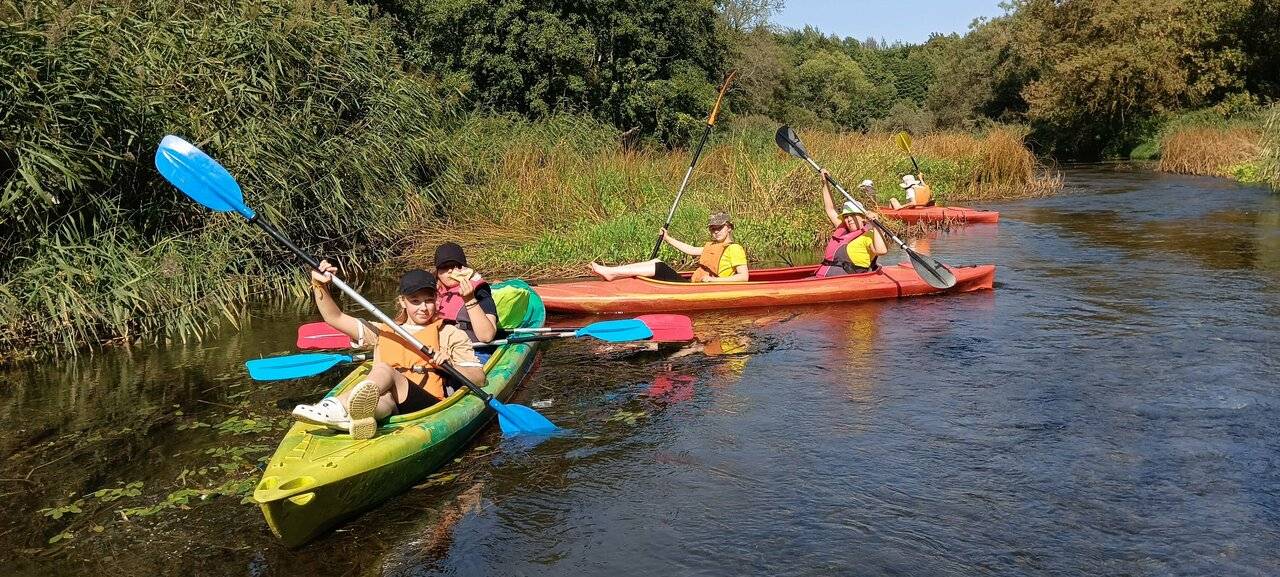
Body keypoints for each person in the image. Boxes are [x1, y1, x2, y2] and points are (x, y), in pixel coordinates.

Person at [291, 261, 487, 440]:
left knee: (385, 369)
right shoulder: (383, 331)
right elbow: (334, 318)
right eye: (415, 301)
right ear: (402, 301)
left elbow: (478, 378)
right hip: (394, 404)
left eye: (428, 300)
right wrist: (319, 285)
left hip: (428, 405)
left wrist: (448, 365)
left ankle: (335, 406)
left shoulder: (449, 333)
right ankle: (354, 419)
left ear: (437, 299)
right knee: (381, 400)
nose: (423, 308)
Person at [589, 211, 748, 283]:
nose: (716, 231)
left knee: (659, 267)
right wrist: (667, 238)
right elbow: (691, 250)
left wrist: (714, 281)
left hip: (704, 288)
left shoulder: (735, 249)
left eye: (719, 228)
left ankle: (611, 273)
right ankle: (613, 272)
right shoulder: (712, 245)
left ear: (729, 228)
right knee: (656, 261)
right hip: (694, 285)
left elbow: (743, 277)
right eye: (712, 229)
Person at [815, 169, 887, 277]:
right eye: (846, 216)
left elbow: (881, 251)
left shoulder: (869, 235)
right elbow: (830, 209)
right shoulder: (843, 230)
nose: (849, 219)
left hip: (846, 280)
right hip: (824, 277)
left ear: (863, 218)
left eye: (853, 215)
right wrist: (825, 183)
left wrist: (876, 226)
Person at [432, 242, 499, 344]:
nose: (450, 271)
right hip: (439, 347)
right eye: (444, 267)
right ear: (437, 272)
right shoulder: (430, 293)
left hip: (473, 348)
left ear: (465, 268)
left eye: (456, 266)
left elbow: (487, 337)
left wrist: (469, 299)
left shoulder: (480, 291)